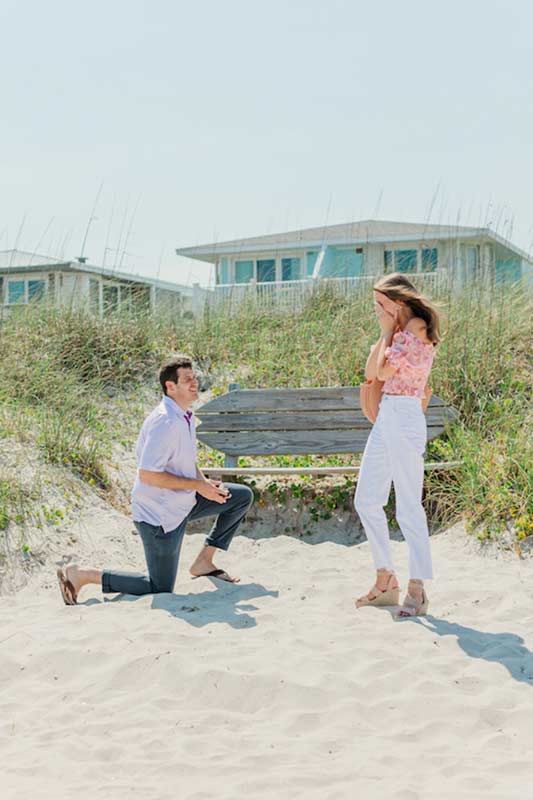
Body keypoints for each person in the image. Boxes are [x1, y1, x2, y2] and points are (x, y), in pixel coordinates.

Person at [57, 355, 254, 605]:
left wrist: (204, 483)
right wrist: (197, 486)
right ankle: (82, 575)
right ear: (170, 387)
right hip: (159, 516)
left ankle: (204, 561)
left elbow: (185, 460)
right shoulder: (165, 421)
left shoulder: (184, 416)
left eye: (195, 378)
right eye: (187, 380)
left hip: (183, 502)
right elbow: (148, 475)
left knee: (239, 497)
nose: (195, 383)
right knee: (159, 587)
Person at [354, 273, 442, 617]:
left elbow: (386, 372)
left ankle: (417, 589)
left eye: (381, 304)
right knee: (367, 499)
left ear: (399, 302)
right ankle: (386, 579)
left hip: (405, 415)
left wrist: (390, 330)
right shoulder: (395, 331)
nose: (377, 309)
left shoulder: (417, 325)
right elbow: (371, 371)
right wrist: (385, 330)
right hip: (387, 414)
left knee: (407, 505)